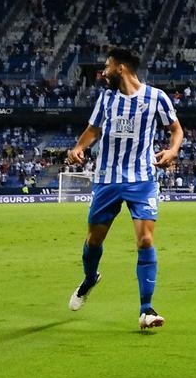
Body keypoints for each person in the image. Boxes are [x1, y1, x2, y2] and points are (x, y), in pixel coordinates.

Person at [65, 48, 183, 330]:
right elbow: (93, 130)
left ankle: (146, 310)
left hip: (142, 179)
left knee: (145, 240)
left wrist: (172, 150)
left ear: (120, 68)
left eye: (106, 67)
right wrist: (79, 147)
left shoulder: (156, 98)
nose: (102, 72)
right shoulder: (106, 99)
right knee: (94, 240)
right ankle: (90, 277)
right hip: (107, 179)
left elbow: (176, 129)